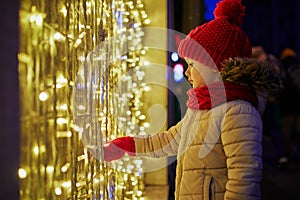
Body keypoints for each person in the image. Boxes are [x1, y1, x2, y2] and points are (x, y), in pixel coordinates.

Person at [103, 0, 280, 199]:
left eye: (193, 65)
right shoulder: (201, 109)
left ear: (216, 67)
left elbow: (244, 177)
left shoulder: (238, 111)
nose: (187, 72)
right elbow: (169, 141)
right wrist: (128, 145)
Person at [251, 45, 288, 170]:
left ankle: (256, 158)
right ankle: (281, 155)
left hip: (261, 100)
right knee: (275, 129)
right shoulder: (273, 59)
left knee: (257, 129)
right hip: (274, 99)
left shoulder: (256, 62)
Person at [279, 48, 300, 159]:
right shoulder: (296, 69)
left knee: (286, 132)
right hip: (296, 106)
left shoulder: (283, 72)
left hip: (286, 107)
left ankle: (285, 154)